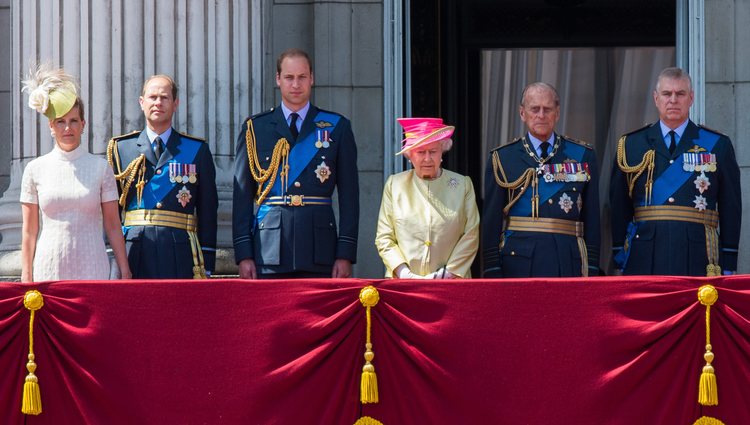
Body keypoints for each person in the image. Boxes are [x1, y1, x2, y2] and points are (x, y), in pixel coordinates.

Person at [233, 48, 359, 279]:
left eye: (302, 77)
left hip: (319, 247)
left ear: (312, 78)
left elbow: (350, 197)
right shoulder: (255, 128)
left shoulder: (337, 127)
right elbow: (242, 197)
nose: (295, 84)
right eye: (289, 77)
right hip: (269, 246)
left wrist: (345, 253)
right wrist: (244, 253)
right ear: (278, 79)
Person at [610, 67, 741, 276]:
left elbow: (730, 207)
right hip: (645, 253)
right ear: (655, 98)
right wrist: (618, 256)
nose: (673, 100)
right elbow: (619, 207)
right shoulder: (631, 145)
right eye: (666, 94)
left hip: (699, 253)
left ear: (691, 98)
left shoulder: (718, 145)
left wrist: (729, 261)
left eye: (680, 94)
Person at [20, 64, 131, 282]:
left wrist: (125, 270)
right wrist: (26, 275)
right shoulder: (35, 169)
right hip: (49, 269)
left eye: (73, 121)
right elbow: (29, 231)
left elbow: (113, 225)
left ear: (83, 124)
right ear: (51, 126)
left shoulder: (101, 168)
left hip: (93, 268)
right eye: (60, 122)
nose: (67, 128)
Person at [482, 82, 601, 278]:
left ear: (557, 113)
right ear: (522, 113)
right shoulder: (503, 157)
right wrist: (492, 267)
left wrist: (593, 265)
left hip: (568, 260)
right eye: (534, 109)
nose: (541, 115)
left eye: (547, 109)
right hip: (518, 262)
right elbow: (491, 220)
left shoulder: (582, 154)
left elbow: (592, 217)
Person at [107, 75, 218, 279]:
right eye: (152, 97)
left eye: (165, 97)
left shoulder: (196, 149)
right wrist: (112, 257)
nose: (158, 102)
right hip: (134, 250)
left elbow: (208, 210)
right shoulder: (121, 148)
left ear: (176, 103)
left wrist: (207, 261)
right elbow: (111, 211)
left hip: (180, 251)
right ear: (142, 102)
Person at [375, 118, 479, 278]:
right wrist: (405, 274)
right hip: (403, 285)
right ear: (410, 155)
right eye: (421, 152)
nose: (427, 158)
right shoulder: (394, 185)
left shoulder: (462, 185)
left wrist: (448, 274)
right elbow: (384, 237)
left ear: (442, 152)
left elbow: (471, 234)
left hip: (452, 283)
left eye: (433, 151)